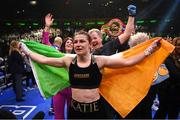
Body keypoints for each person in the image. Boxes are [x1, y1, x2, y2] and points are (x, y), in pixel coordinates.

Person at [20, 31, 160, 119]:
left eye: (82, 41)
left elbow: (128, 62)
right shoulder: (68, 60)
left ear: (89, 45)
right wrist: (27, 51)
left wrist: (148, 51)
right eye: (75, 42)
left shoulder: (99, 61)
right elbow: (43, 60)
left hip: (97, 112)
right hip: (75, 112)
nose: (78, 44)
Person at [88, 4, 136, 119]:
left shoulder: (109, 46)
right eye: (90, 39)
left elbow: (127, 34)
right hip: (93, 94)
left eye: (94, 38)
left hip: (110, 92)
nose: (93, 41)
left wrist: (131, 16)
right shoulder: (85, 55)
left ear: (100, 38)